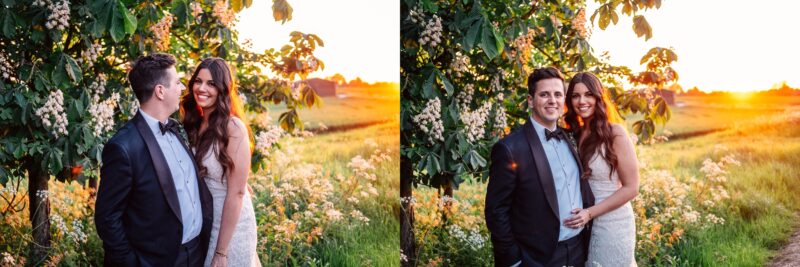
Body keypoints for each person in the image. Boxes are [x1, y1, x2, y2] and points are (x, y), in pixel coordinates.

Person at [95, 53, 213, 266]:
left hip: (196, 254)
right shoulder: (123, 147)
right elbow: (107, 219)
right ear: (160, 91)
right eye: (177, 83)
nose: (182, 88)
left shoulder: (176, 130)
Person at [485, 67, 595, 267]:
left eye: (558, 94)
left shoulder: (571, 138)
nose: (552, 100)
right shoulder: (509, 148)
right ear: (530, 100)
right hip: (536, 258)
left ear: (564, 100)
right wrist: (514, 260)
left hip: (578, 250)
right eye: (544, 94)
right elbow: (496, 210)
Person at [181, 58, 260, 267]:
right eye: (198, 81)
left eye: (211, 84)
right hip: (204, 219)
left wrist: (222, 252)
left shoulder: (233, 127)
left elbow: (237, 192)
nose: (202, 88)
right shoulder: (194, 123)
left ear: (223, 89)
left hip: (231, 225)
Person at [562, 72, 639, 267]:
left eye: (588, 94)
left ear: (598, 97)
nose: (582, 101)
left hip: (613, 222)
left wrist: (590, 213)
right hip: (582, 223)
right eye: (575, 96)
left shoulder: (615, 133)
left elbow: (631, 188)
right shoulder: (574, 134)